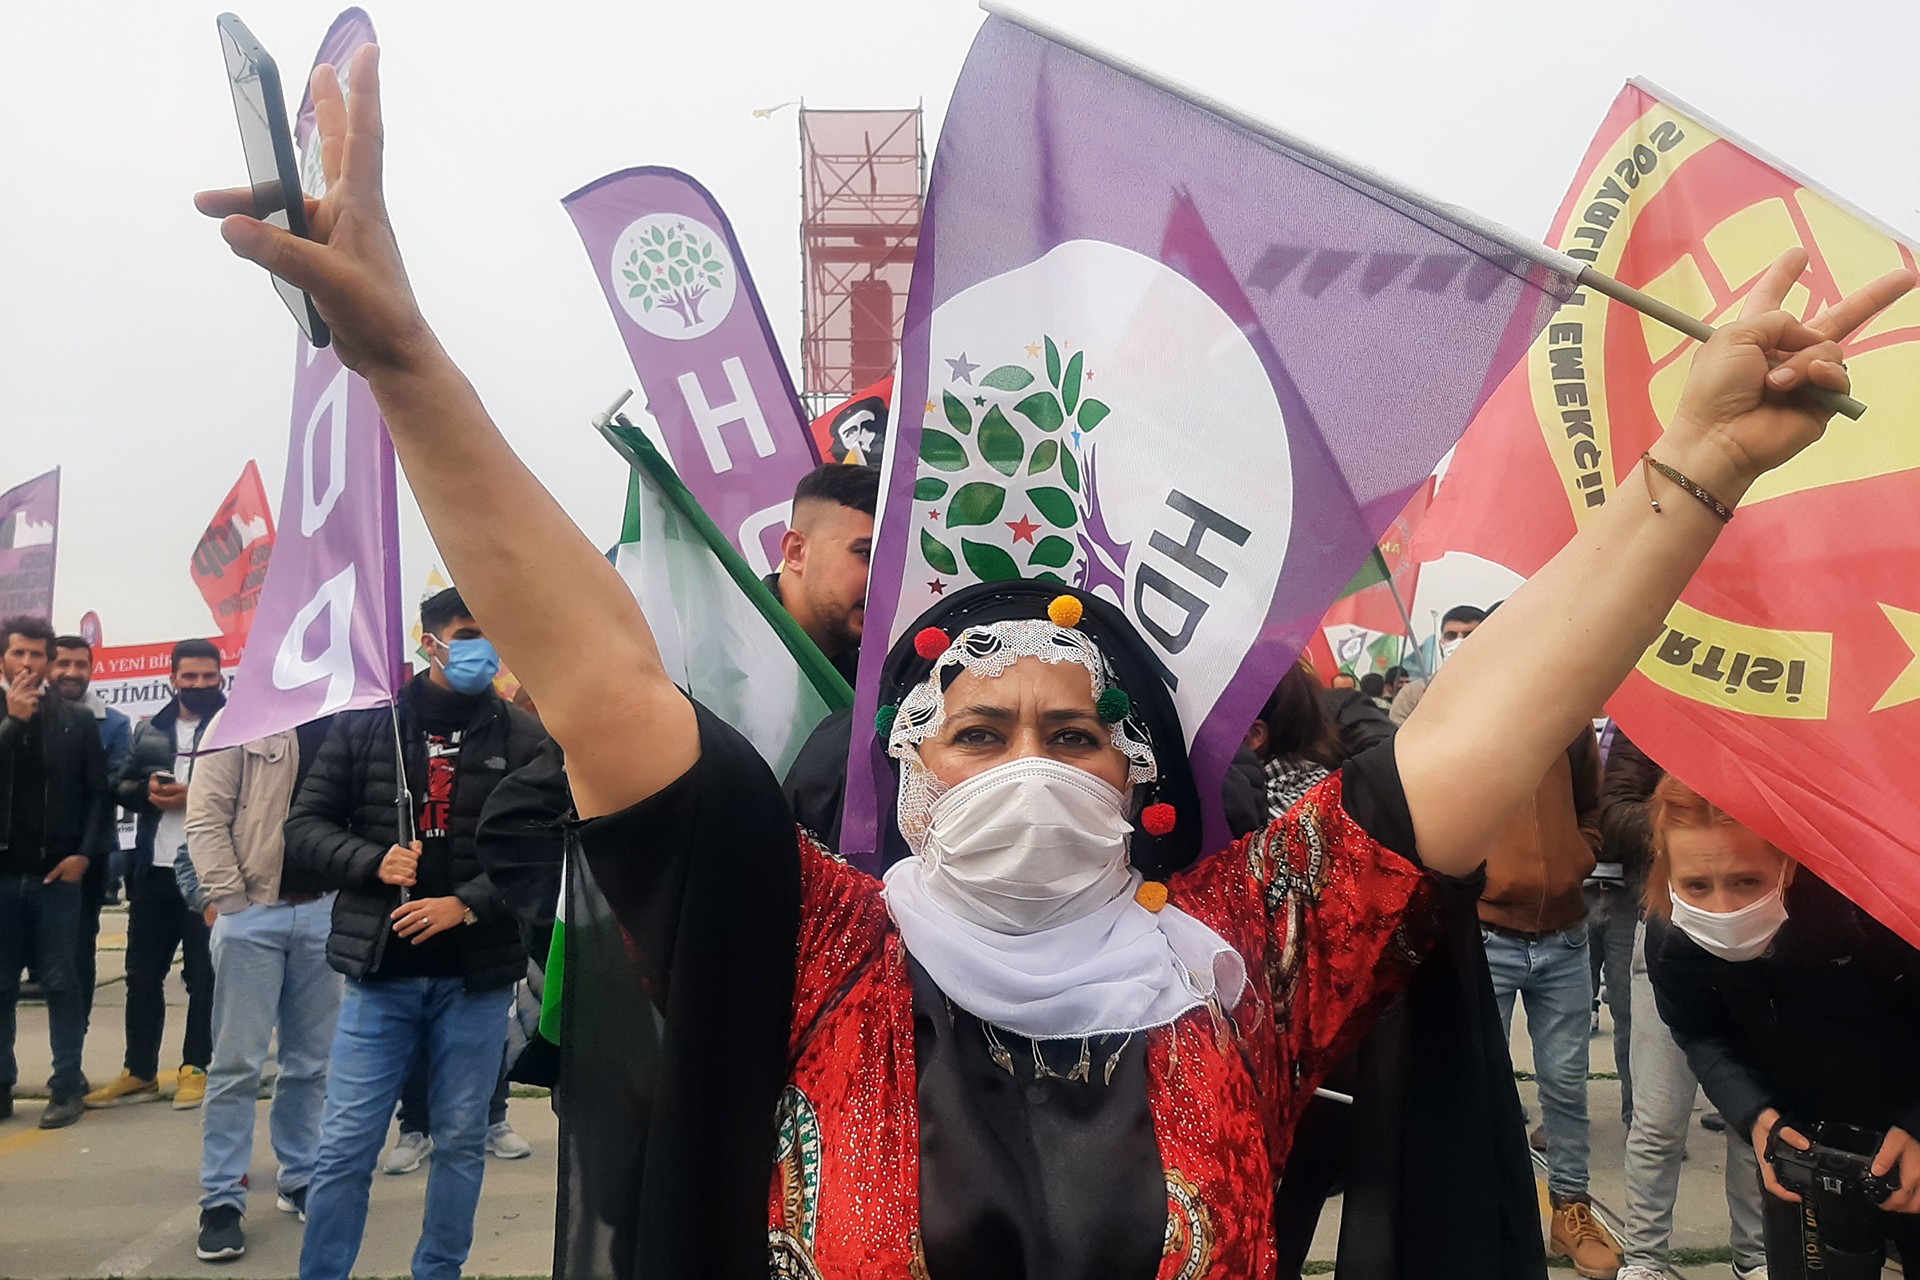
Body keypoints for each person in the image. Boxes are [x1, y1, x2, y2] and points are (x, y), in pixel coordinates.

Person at [196, 47, 1904, 1277]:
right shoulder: (819, 950)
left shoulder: (1250, 960)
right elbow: (608, 685)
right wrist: (404, 359)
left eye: (1073, 735)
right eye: (975, 731)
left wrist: (1695, 474)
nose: (1024, 759)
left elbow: (1482, 718)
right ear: (909, 786)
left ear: (1146, 788)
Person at [283, 585, 543, 1280]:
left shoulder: (521, 734)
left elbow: (543, 847)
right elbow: (304, 828)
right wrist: (372, 861)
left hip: (477, 979)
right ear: (429, 641)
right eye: (467, 633)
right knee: (345, 1147)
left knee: (461, 1142)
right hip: (380, 978)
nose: (481, 649)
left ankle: (440, 1269)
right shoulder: (370, 724)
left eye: (492, 632)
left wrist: (468, 903)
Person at [1645, 777, 1920, 1279]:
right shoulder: (1673, 935)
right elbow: (1699, 1032)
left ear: (1788, 863)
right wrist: (1753, 1114)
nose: (1722, 909)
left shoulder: (1870, 907)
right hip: (1801, 1145)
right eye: (1696, 886)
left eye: (1747, 881)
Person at [183, 711, 341, 1262]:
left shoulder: (353, 717)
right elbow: (204, 815)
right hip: (254, 912)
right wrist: (230, 900)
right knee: (235, 1065)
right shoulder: (238, 718)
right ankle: (222, 1198)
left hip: (325, 912)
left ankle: (301, 1175)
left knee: (311, 1063)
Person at [1603, 746, 1766, 1280]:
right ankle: (1645, 1257)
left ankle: (1757, 1253)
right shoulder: (1655, 715)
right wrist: (1681, 826)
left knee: (1757, 1118)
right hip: (1672, 926)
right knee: (1658, 1118)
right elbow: (1615, 803)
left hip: (1761, 937)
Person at [1476, 708, 1619, 1276]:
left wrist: (1576, 855)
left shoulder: (1568, 720)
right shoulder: (1471, 716)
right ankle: (1487, 1215)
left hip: (1565, 934)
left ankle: (1571, 1211)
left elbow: (1592, 803)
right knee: (1480, 1081)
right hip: (1487, 933)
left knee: (1566, 1084)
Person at [86, 639, 224, 1111]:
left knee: (204, 978)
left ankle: (196, 1067)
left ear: (220, 677)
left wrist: (198, 795)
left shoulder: (238, 726)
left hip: (210, 874)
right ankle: (139, 1071)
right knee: (142, 975)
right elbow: (118, 785)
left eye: (209, 676)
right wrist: (146, 790)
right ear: (173, 679)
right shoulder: (148, 732)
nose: (200, 684)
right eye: (190, 676)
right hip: (153, 871)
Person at [1, 616, 111, 1129]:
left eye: (36, 655)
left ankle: (67, 1085)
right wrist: (12, 724)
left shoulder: (75, 720)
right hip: (3, 877)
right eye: (19, 654)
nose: (28, 664)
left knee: (63, 983)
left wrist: (85, 855)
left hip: (56, 877)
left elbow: (97, 795)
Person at [48, 633, 131, 1026]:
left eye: (81, 664)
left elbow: (114, 783)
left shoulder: (114, 725)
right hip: (28, 851)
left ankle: (72, 1049)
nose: (71, 672)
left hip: (88, 852)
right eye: (63, 663)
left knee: (79, 948)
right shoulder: (19, 715)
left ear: (92, 669)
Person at [765, 463, 878, 687]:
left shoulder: (877, 691)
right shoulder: (718, 656)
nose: (885, 581)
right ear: (796, 551)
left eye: (892, 565)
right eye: (865, 553)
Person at [1389, 605, 1486, 725]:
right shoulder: (1412, 694)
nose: (1459, 642)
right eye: (1451, 636)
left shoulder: (1506, 690)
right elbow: (1398, 738)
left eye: (1470, 634)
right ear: (1441, 645)